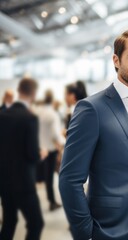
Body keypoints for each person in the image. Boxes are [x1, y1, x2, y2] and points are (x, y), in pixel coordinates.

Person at [59, 28, 128, 240]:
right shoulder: (91, 109)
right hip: (108, 228)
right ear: (116, 60)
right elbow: (70, 178)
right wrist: (85, 232)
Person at [0, 78, 44, 240]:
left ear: (18, 91)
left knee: (9, 222)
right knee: (36, 224)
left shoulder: (2, 115)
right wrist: (42, 153)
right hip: (24, 182)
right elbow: (32, 154)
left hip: (4, 180)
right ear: (33, 93)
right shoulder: (29, 118)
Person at [35, 89, 65, 211]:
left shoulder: (38, 112)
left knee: (46, 177)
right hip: (51, 150)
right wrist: (65, 143)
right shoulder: (52, 114)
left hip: (40, 149)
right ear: (52, 99)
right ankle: (53, 202)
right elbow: (56, 135)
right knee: (59, 176)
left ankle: (51, 200)